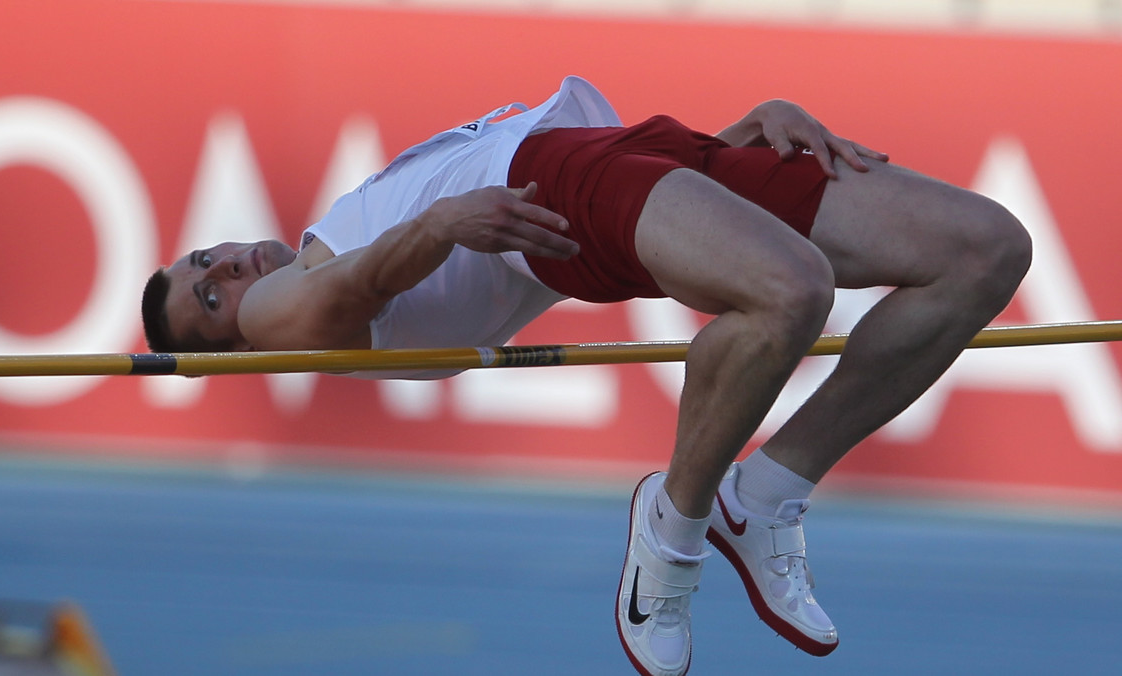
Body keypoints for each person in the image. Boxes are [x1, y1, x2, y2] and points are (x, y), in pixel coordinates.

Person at [141, 76, 1031, 675]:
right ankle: (674, 528)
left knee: (984, 250)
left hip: (628, 157)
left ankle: (764, 492)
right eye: (209, 302)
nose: (223, 272)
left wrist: (729, 139)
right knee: (791, 289)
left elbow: (625, 216)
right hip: (552, 181)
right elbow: (357, 287)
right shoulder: (282, 313)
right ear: (243, 343)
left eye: (200, 261)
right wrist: (445, 221)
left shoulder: (326, 233)